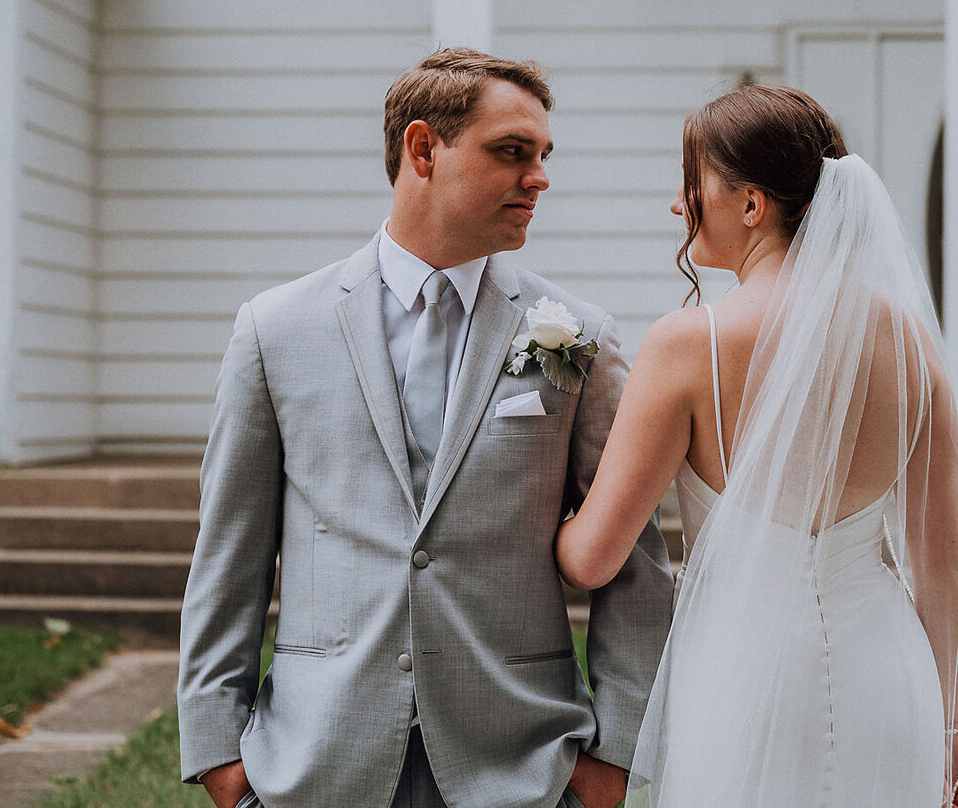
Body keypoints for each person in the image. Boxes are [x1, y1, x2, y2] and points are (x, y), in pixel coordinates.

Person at [177, 48, 674, 808]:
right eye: (512, 152)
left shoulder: (576, 335)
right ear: (422, 149)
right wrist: (219, 756)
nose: (538, 176)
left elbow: (638, 565)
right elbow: (229, 552)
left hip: (521, 764)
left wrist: (611, 759)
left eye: (543, 155)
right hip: (317, 760)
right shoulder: (274, 330)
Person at [555, 84, 958, 808]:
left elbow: (594, 556)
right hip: (889, 678)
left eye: (692, 185)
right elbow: (942, 564)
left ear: (751, 203)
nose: (678, 204)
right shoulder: (914, 343)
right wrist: (950, 730)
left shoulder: (686, 343)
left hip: (744, 681)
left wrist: (549, 504)